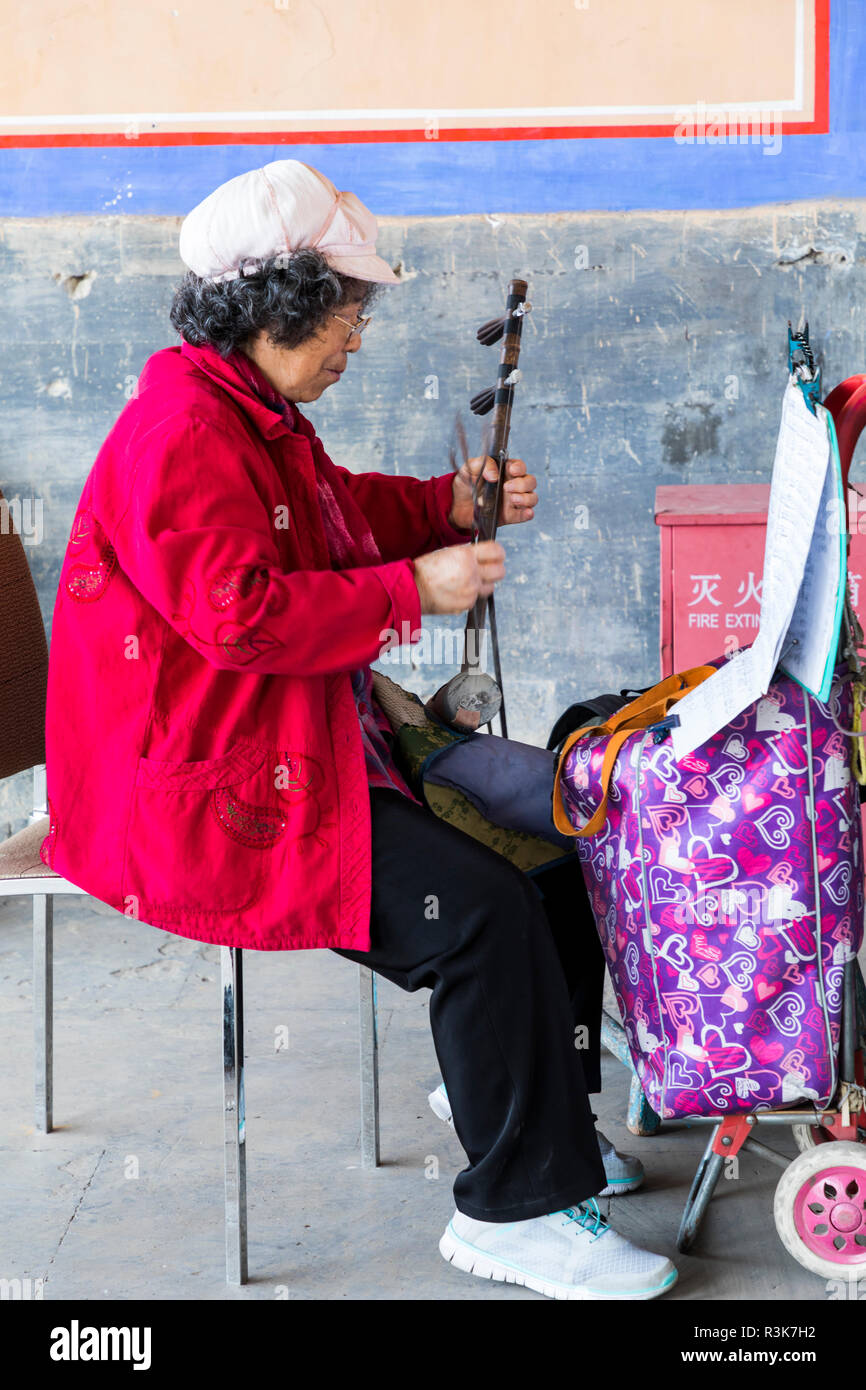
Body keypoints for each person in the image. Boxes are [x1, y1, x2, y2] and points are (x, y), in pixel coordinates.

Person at [41, 159, 677, 1301]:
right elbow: (239, 616)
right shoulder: (181, 434)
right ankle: (512, 1211)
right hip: (213, 791)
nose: (352, 341)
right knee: (476, 910)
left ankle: (529, 1120)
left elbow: (328, 514)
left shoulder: (254, 414)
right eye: (342, 316)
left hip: (305, 739)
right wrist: (411, 591)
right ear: (274, 306)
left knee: (547, 845)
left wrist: (444, 501)